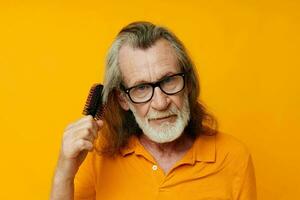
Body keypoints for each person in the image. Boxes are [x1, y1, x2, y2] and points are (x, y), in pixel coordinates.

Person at [50, 21, 257, 200]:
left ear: (188, 83)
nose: (160, 103)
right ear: (123, 99)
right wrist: (64, 172)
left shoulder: (233, 157)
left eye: (168, 80)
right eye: (141, 88)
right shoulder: (98, 156)